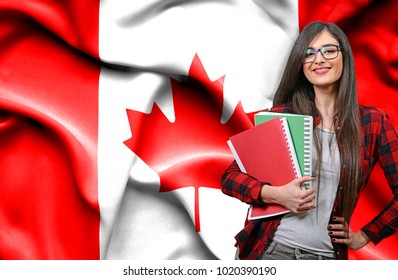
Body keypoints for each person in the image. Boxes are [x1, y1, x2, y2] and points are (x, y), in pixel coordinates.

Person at [221, 21, 398, 260]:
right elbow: (230, 178)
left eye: (329, 50)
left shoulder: (372, 123)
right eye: (309, 53)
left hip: (325, 258)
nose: (319, 59)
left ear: (344, 57)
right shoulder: (282, 116)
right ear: (301, 64)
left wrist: (365, 236)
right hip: (270, 251)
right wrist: (275, 194)